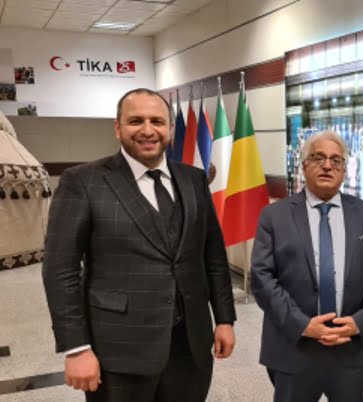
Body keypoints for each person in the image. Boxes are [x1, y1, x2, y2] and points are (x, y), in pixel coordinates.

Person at [42, 88, 237, 402]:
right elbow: (60, 270)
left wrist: (225, 319)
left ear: (170, 129)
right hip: (118, 350)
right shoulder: (83, 181)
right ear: (117, 128)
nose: (148, 130)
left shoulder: (194, 180)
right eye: (136, 121)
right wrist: (76, 348)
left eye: (157, 121)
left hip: (190, 346)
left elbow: (212, 255)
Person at [251, 131, 363, 402]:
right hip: (294, 346)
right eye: (318, 158)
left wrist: (361, 320)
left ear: (344, 169)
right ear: (304, 165)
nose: (327, 165)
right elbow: (262, 277)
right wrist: (303, 325)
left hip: (352, 346)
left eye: (336, 160)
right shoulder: (274, 216)